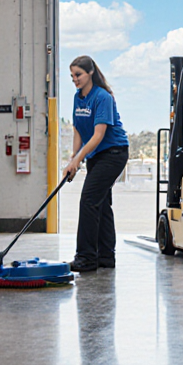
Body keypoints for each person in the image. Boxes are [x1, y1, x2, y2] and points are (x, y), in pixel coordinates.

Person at [62, 55, 129, 272]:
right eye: (72, 76)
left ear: (90, 72)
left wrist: (78, 159)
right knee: (100, 205)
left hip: (113, 153)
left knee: (89, 201)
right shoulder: (78, 97)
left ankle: (86, 258)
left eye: (78, 75)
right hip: (96, 156)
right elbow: (78, 130)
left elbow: (98, 135)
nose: (75, 79)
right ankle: (105, 257)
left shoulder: (103, 97)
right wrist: (74, 159)